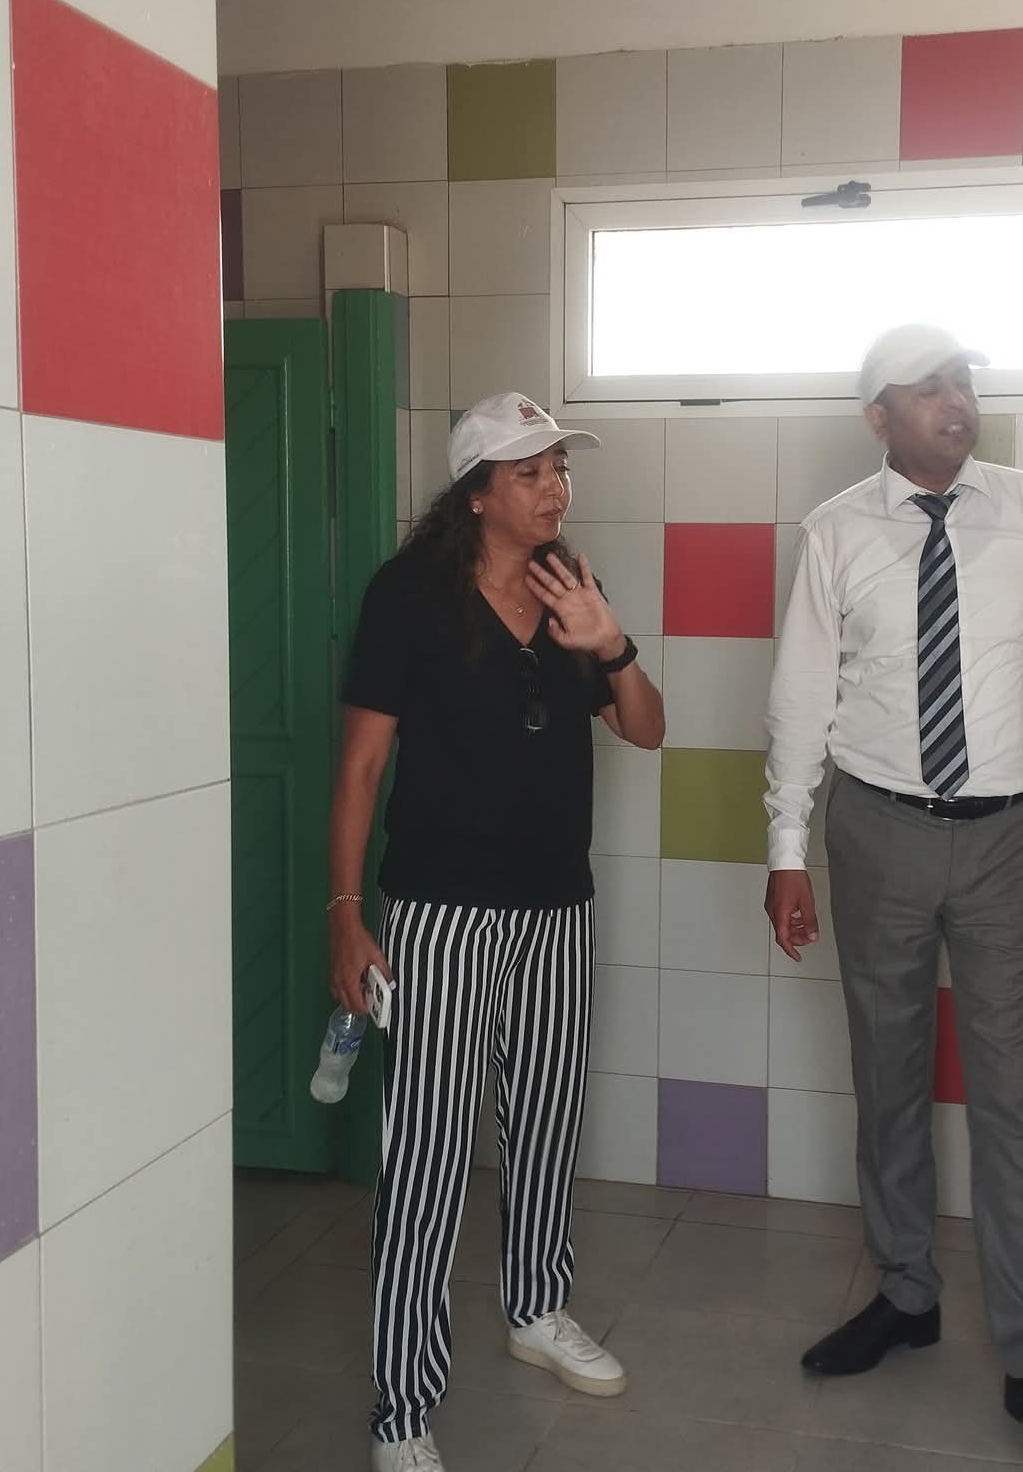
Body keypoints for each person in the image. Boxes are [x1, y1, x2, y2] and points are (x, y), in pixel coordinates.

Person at [764, 326, 1023, 1472]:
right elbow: (800, 697)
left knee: (1012, 1097)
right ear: (876, 417)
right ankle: (905, 1294)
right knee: (885, 1078)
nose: (953, 401)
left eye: (962, 381)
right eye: (925, 388)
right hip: (874, 830)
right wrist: (786, 847)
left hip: (1007, 838)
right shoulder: (835, 531)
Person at [329, 391, 666, 1472]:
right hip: (442, 913)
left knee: (546, 1124)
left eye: (560, 468)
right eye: (529, 472)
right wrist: (347, 916)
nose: (554, 488)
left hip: (558, 907)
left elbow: (646, 729)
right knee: (427, 1155)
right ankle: (401, 1406)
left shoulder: (572, 586)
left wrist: (612, 645)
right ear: (476, 494)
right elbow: (361, 767)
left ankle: (535, 1309)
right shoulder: (408, 597)